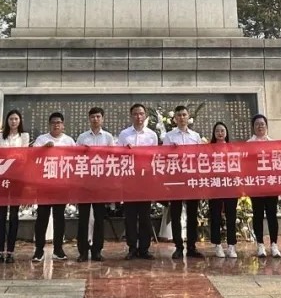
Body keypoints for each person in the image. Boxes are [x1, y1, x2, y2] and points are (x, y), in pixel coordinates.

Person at [31, 111, 76, 262]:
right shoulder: (41, 139)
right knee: (42, 217)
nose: (56, 125)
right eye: (53, 123)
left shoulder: (69, 141)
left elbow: (75, 160)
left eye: (59, 123)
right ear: (49, 125)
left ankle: (58, 249)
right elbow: (32, 156)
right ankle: (39, 250)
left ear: (63, 125)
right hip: (44, 183)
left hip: (61, 184)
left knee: (59, 217)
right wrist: (44, 148)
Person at [163, 104, 206, 260]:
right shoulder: (169, 136)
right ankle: (178, 247)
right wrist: (171, 150)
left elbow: (200, 156)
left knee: (192, 214)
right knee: (175, 214)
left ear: (188, 117)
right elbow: (163, 157)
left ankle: (192, 246)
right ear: (174, 118)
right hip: (176, 179)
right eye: (179, 115)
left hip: (192, 178)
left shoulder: (195, 136)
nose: (182, 118)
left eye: (184, 115)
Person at [118, 102, 159, 259]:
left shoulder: (152, 135)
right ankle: (132, 248)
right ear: (131, 116)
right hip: (129, 179)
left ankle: (144, 248)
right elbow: (117, 156)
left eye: (141, 114)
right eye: (135, 114)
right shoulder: (124, 135)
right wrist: (125, 151)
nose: (138, 117)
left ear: (145, 116)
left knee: (145, 216)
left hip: (145, 180)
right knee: (130, 216)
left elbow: (155, 157)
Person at [75, 106, 115, 261]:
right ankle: (83, 251)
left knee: (99, 217)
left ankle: (97, 250)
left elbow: (113, 157)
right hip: (84, 182)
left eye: (98, 117)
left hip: (101, 182)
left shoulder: (108, 138)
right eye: (92, 117)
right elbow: (74, 158)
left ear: (102, 119)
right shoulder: (82, 137)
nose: (95, 119)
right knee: (83, 218)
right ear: (89, 119)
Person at [0, 109, 29, 264]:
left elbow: (23, 156)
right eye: (11, 119)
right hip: (2, 178)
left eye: (16, 119)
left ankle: (11, 251)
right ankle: (0, 251)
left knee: (14, 215)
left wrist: (10, 156)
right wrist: (12, 155)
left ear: (19, 121)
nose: (13, 121)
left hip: (17, 178)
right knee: (1, 215)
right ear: (7, 121)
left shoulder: (24, 136)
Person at [247, 113, 281, 257]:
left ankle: (274, 244)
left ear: (266, 126)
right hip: (256, 185)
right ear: (253, 127)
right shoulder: (248, 144)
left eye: (262, 124)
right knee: (258, 215)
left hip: (271, 184)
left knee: (272, 214)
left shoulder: (273, 144)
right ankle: (260, 244)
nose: (260, 126)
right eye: (257, 124)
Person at [208, 121, 238, 258]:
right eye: (217, 131)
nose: (220, 133)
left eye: (222, 130)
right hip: (215, 186)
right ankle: (217, 244)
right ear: (214, 133)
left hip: (230, 185)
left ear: (226, 133)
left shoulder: (232, 148)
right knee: (215, 216)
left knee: (231, 216)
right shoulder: (209, 149)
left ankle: (231, 246)